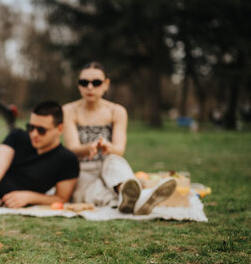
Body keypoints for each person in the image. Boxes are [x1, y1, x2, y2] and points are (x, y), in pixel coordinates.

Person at [62, 62, 176, 215]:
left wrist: (107, 146)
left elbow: (119, 149)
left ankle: (128, 192)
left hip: (108, 166)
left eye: (96, 82)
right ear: (79, 85)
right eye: (84, 82)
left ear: (106, 84)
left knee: (115, 162)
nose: (89, 87)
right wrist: (89, 147)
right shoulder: (69, 110)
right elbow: (72, 148)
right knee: (95, 191)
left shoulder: (117, 111)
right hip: (82, 170)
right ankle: (131, 201)